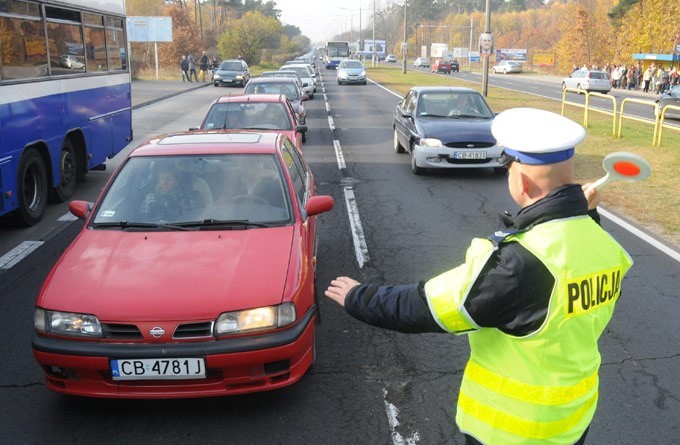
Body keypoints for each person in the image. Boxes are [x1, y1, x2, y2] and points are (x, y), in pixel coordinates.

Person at [325, 108, 633, 445]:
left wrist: (359, 297)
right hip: (573, 421)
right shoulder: (601, 242)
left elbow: (426, 306)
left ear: (523, 182)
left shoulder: (519, 262)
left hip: (512, 432)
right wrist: (583, 211)